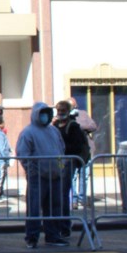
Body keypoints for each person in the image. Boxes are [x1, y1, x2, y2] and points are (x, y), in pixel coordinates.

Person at [16, 102, 67, 248]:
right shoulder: (28, 132)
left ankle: (53, 235)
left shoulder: (53, 131)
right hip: (38, 177)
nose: (44, 116)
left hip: (55, 176)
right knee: (34, 208)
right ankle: (32, 237)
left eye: (46, 112)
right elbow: (23, 154)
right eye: (42, 113)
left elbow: (60, 150)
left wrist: (61, 168)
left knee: (54, 207)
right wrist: (31, 171)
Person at [53, 99, 89, 237]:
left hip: (68, 161)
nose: (60, 113)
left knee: (63, 193)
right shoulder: (55, 125)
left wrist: (63, 149)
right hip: (57, 161)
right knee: (57, 194)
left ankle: (65, 225)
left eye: (63, 110)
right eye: (58, 110)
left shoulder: (73, 126)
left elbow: (77, 146)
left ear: (68, 111)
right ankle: (59, 223)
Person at [69, 96, 97, 209]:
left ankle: (82, 198)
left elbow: (93, 126)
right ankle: (74, 199)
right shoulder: (65, 117)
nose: (72, 108)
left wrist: (80, 127)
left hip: (86, 150)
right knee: (73, 176)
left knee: (84, 176)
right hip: (72, 150)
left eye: (73, 105)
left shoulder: (83, 114)